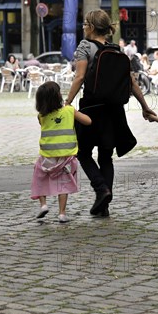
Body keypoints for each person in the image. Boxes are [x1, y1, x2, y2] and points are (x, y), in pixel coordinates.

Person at [65, 9, 155, 217]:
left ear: (92, 26)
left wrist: (67, 102)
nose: (83, 27)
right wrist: (145, 106)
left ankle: (101, 189)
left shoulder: (84, 46)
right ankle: (103, 206)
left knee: (84, 153)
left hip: (91, 109)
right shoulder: (117, 50)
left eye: (85, 24)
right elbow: (132, 82)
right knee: (106, 156)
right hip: (114, 111)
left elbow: (79, 78)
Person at [31, 81, 91, 223]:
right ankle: (62, 213)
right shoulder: (69, 111)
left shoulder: (41, 116)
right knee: (62, 184)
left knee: (39, 178)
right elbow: (88, 121)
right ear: (58, 96)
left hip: (47, 156)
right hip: (66, 156)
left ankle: (43, 205)